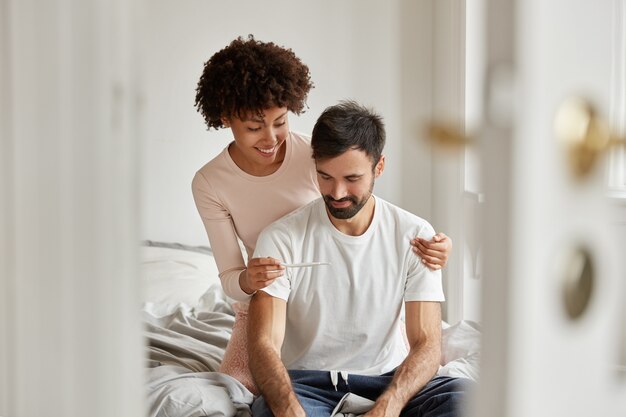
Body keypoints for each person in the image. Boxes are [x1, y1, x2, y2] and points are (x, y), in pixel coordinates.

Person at [192, 35, 453, 393]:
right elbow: (229, 277)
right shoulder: (210, 182)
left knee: (417, 373)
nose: (271, 138)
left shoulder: (312, 152)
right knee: (239, 390)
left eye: (280, 122)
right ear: (225, 119)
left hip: (335, 286)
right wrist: (251, 280)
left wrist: (436, 245)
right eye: (254, 127)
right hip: (267, 296)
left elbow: (358, 207)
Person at [248, 101, 471, 417]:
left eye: (351, 178)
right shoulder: (281, 238)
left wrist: (389, 406)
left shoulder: (415, 234)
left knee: (467, 398)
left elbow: (427, 344)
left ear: (379, 167)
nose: (337, 192)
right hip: (307, 384)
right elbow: (263, 343)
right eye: (325, 177)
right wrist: (287, 408)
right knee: (268, 411)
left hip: (390, 380)